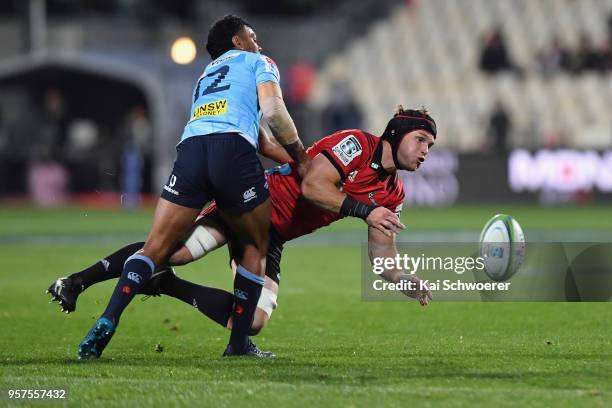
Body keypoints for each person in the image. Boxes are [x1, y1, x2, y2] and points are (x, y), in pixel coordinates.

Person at [49, 107, 435, 343]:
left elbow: (382, 257)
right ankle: (77, 281)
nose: (424, 151)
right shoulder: (356, 144)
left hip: (273, 237)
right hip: (250, 204)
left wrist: (405, 280)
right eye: (420, 140)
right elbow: (315, 188)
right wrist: (366, 211)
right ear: (397, 134)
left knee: (251, 322)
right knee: (175, 251)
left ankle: (165, 284)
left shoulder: (392, 193)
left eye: (430, 147)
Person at [75, 15, 310, 360]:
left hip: (191, 151)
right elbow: (274, 112)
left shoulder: (207, 76)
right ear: (237, 42)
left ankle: (109, 317)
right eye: (252, 36)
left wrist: (289, 160)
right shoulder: (259, 62)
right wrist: (303, 159)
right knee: (254, 246)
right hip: (232, 151)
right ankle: (239, 344)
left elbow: (259, 136)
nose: (258, 43)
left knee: (155, 247)